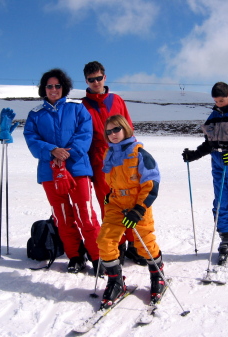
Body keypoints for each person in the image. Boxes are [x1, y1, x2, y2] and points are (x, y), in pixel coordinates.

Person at [23, 68, 102, 276]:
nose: (54, 89)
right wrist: (52, 151)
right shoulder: (35, 114)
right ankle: (75, 255)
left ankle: (98, 256)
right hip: (49, 173)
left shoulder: (77, 110)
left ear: (64, 87)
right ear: (44, 89)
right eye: (49, 86)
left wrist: (66, 154)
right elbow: (32, 139)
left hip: (77, 169)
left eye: (57, 85)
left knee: (84, 213)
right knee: (62, 216)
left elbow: (85, 134)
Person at [82, 61, 146, 266]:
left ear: (105, 77)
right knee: (108, 204)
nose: (95, 82)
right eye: (91, 80)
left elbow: (128, 128)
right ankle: (115, 246)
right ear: (86, 81)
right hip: (100, 160)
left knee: (129, 198)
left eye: (98, 78)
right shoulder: (83, 106)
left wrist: (134, 154)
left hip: (124, 158)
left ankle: (134, 245)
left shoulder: (116, 100)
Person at [97, 114, 165, 309]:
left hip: (138, 204)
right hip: (117, 204)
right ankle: (116, 282)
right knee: (105, 241)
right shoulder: (108, 154)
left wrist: (139, 209)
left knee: (144, 245)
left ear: (125, 128)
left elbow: (152, 184)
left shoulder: (140, 153)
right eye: (108, 132)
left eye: (116, 129)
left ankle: (157, 274)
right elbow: (114, 180)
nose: (113, 134)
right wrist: (111, 194)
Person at [182, 82, 228, 265]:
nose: (218, 104)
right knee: (220, 202)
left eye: (221, 100)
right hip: (218, 165)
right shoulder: (213, 116)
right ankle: (226, 238)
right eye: (215, 101)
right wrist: (195, 154)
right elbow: (209, 143)